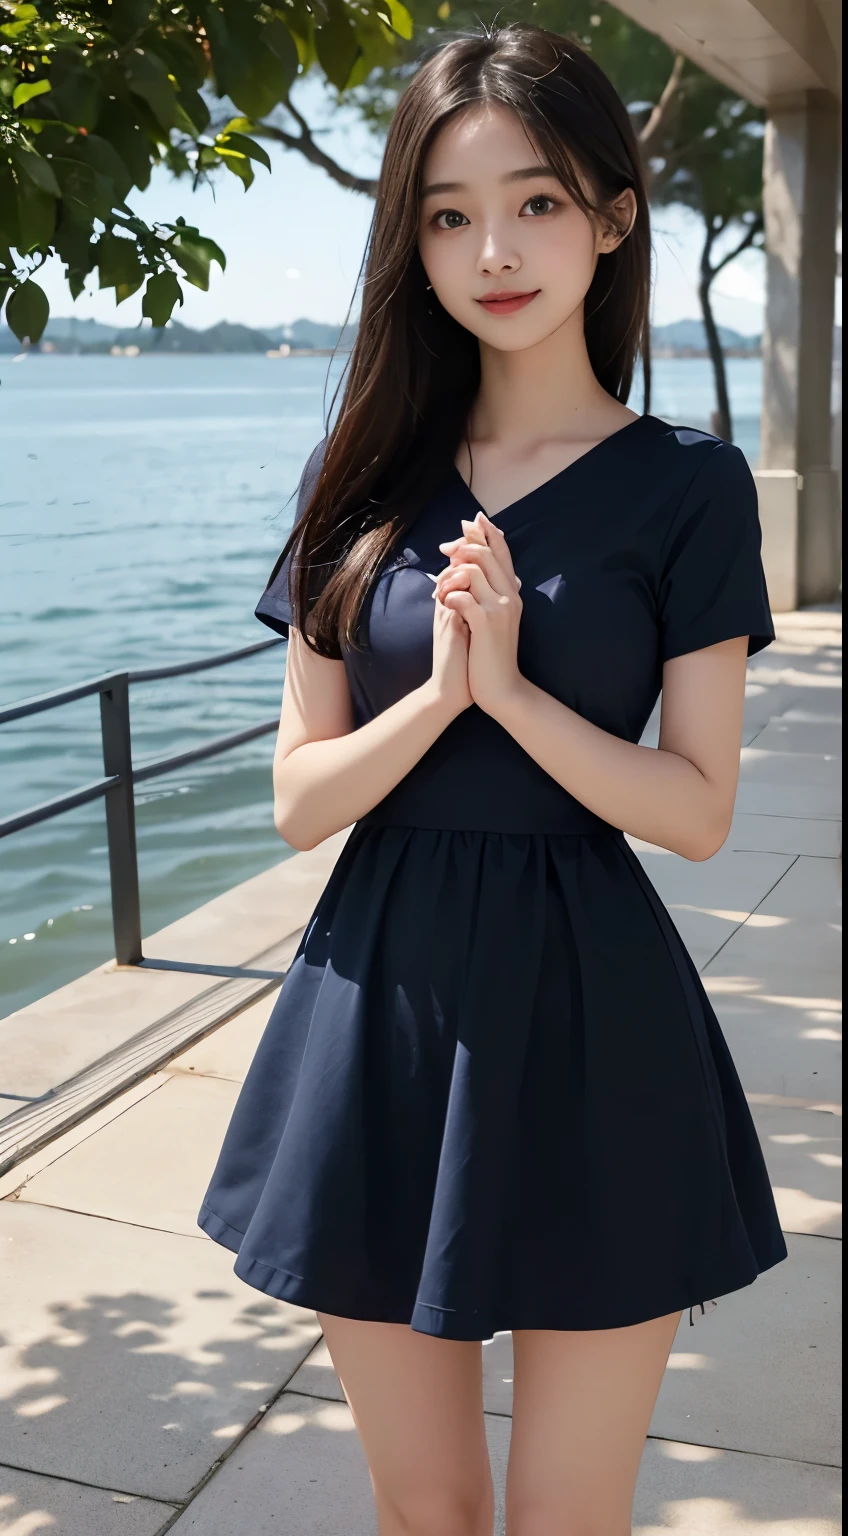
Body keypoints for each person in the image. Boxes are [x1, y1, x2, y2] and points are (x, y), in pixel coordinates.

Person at [199, 24, 787, 1535]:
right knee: (430, 1515)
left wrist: (513, 697)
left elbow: (699, 810)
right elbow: (300, 797)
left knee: (565, 1520)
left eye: (534, 203)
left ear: (611, 210)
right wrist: (449, 698)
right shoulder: (364, 478)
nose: (494, 250)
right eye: (449, 216)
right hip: (374, 1013)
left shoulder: (686, 484)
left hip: (596, 1026)